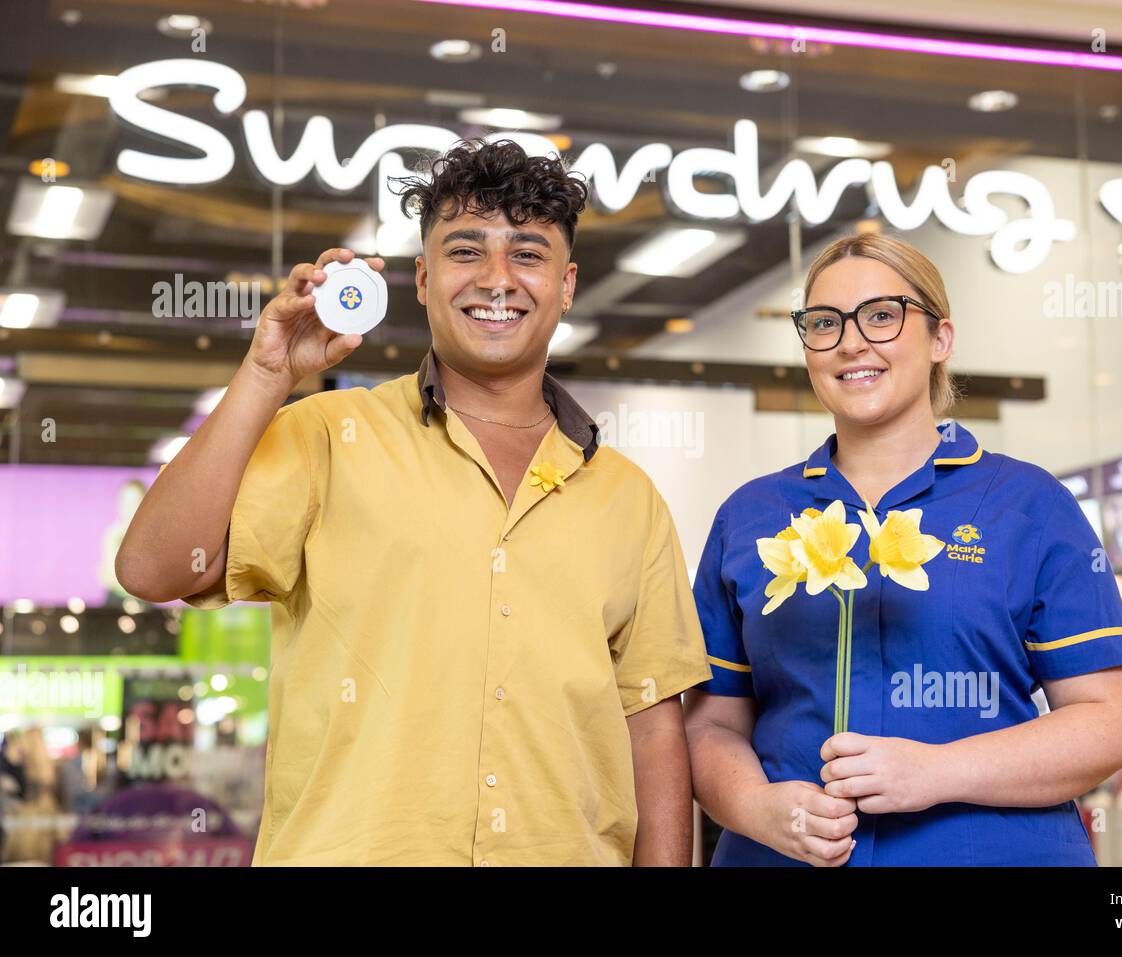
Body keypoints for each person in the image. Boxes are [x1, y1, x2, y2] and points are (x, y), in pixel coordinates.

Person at [115, 139, 711, 866]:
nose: (497, 279)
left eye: (528, 254)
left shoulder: (628, 497)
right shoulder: (327, 439)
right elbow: (153, 568)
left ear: (567, 285)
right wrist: (269, 371)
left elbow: (652, 730)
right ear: (424, 279)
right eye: (466, 251)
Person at [684, 233, 1122, 866]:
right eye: (824, 323)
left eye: (882, 315)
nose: (851, 342)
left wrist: (936, 771)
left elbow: (1109, 722)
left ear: (940, 339)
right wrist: (758, 808)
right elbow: (711, 725)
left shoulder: (1029, 507)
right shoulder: (751, 516)